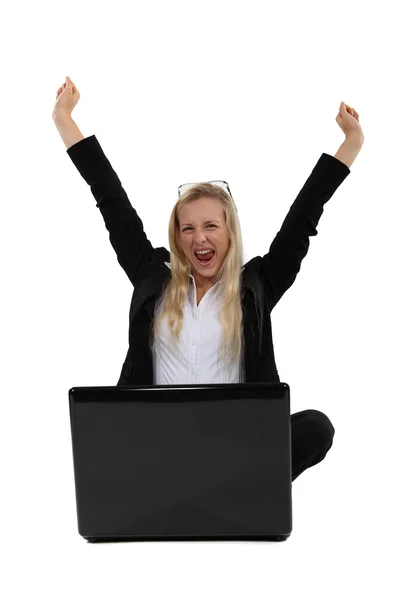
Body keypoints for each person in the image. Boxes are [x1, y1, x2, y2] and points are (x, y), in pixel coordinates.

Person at [53, 76, 364, 481]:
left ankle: (232, 484)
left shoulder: (257, 285)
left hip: (233, 446)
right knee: (96, 432)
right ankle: (176, 484)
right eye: (187, 229)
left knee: (315, 428)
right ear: (177, 238)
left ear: (229, 232)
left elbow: (302, 218)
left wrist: (351, 144)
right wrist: (64, 119)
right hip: (157, 441)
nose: (199, 238)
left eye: (210, 226)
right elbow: (111, 200)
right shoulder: (153, 278)